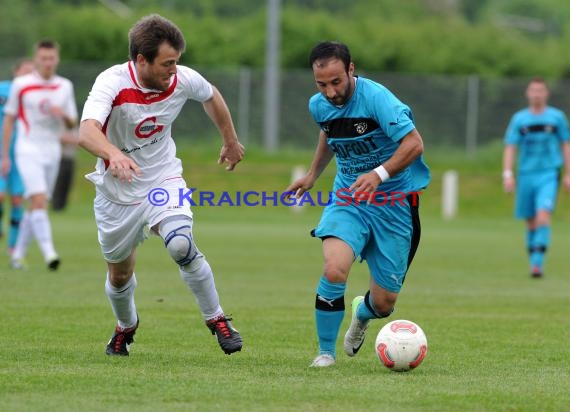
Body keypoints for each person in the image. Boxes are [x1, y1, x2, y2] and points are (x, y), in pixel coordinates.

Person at [78, 14, 245, 357]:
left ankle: (217, 320)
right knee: (120, 275)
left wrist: (230, 140)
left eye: (176, 62)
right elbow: (86, 132)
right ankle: (126, 326)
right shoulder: (111, 82)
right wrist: (113, 154)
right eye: (166, 63)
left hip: (162, 178)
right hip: (116, 194)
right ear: (141, 59)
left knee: (181, 244)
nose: (173, 70)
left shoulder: (181, 79)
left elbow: (210, 95)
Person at [286, 41, 430, 367]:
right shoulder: (318, 105)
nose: (331, 92)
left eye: (336, 82)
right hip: (348, 198)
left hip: (394, 203)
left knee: (385, 303)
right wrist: (312, 175)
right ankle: (325, 352)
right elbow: (329, 134)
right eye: (322, 84)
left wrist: (378, 174)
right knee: (334, 268)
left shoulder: (378, 99)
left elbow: (414, 144)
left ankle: (362, 313)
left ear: (351, 70)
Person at [2, 41, 77, 270]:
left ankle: (18, 254)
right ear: (36, 59)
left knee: (38, 204)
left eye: (51, 58)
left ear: (57, 59)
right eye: (43, 58)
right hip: (27, 148)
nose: (47, 62)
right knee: (37, 199)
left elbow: (72, 122)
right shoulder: (22, 85)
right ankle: (49, 253)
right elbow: (9, 119)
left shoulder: (64, 86)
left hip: (52, 150)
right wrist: (5, 155)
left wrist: (62, 114)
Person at [503, 77, 570, 278]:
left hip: (549, 173)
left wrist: (568, 173)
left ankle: (537, 264)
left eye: (540, 90)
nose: (537, 94)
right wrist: (508, 174)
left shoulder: (557, 117)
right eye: (533, 90)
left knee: (543, 216)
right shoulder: (519, 119)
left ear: (546, 93)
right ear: (527, 93)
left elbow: (566, 144)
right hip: (526, 175)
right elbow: (510, 147)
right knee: (531, 221)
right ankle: (534, 259)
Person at [0, 59, 34, 254]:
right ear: (16, 71)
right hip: (1, 153)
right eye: (25, 72)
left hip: (22, 154)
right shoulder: (3, 90)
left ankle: (13, 246)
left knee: (17, 201)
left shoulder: (32, 96)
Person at [51, 129, 79, 211]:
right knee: (59, 182)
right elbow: (60, 138)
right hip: (61, 158)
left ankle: (62, 205)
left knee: (67, 183)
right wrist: (73, 140)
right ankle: (56, 205)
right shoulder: (60, 126)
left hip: (71, 158)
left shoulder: (75, 129)